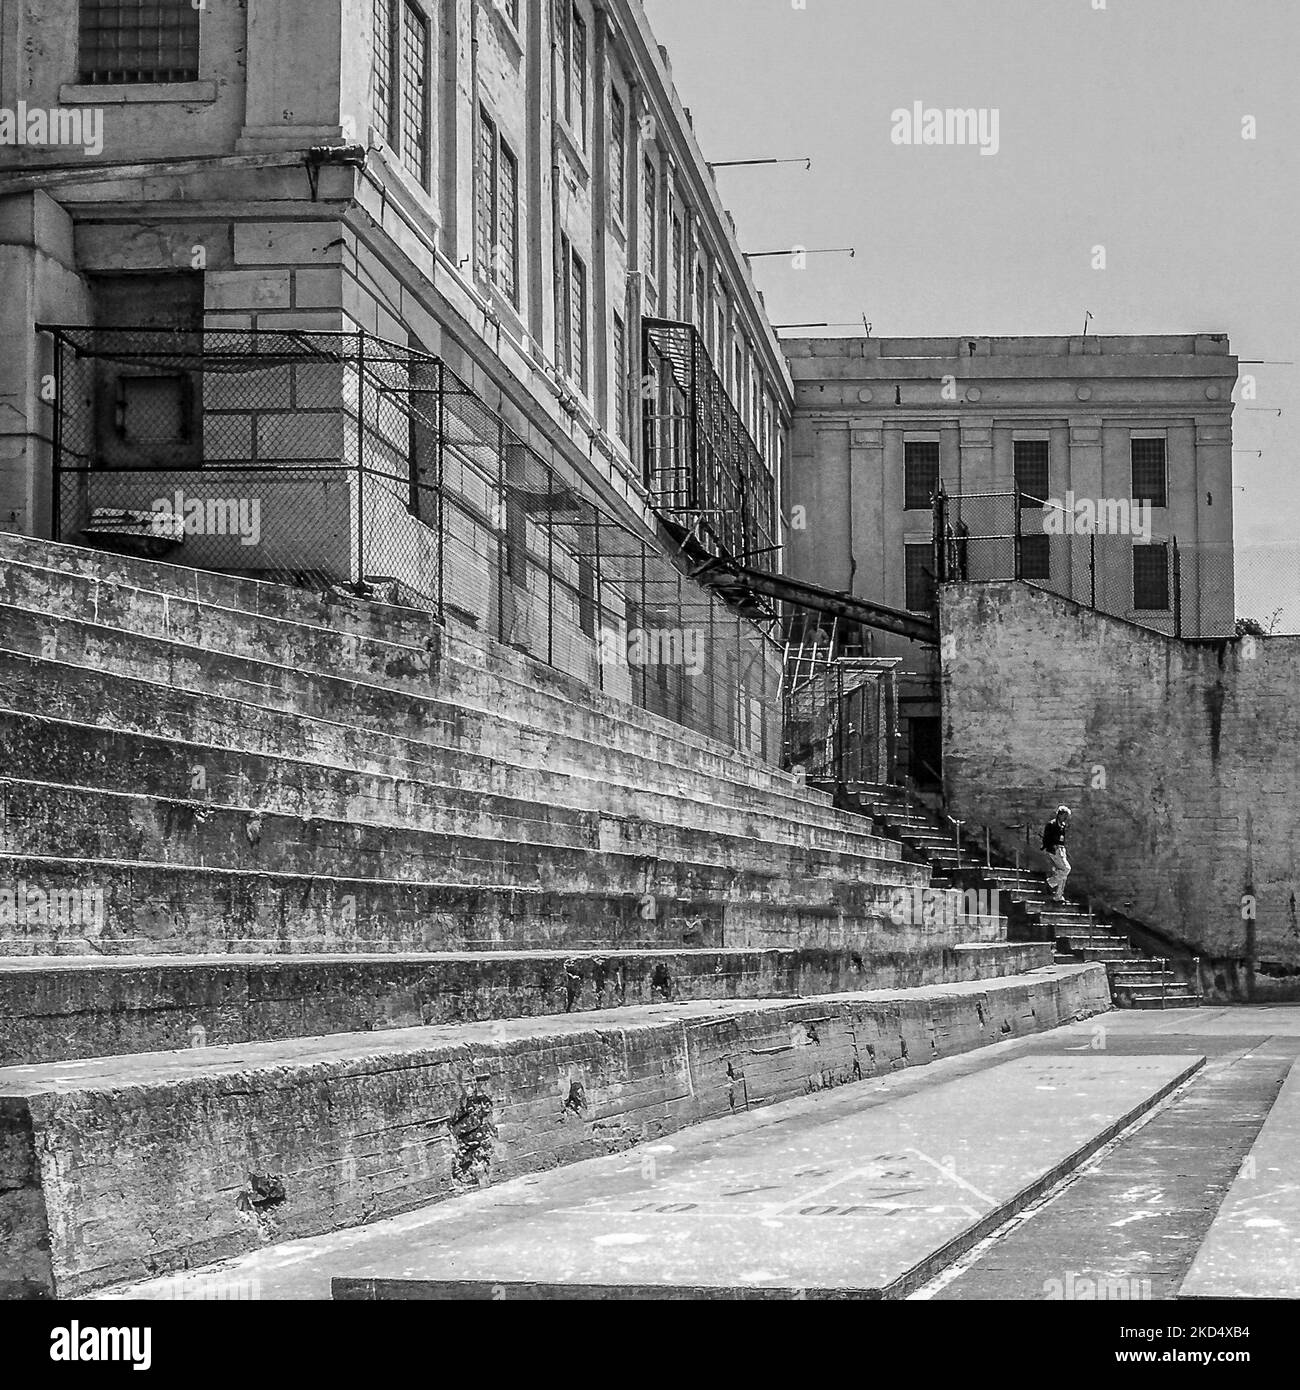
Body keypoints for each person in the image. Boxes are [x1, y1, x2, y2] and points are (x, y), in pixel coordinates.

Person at [1042, 805, 1071, 903]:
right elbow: (1046, 838)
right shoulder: (1051, 824)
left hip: (1061, 849)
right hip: (1055, 850)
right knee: (1066, 869)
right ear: (1060, 814)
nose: (1066, 818)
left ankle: (1058, 896)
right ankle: (1050, 882)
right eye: (1065, 815)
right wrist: (1051, 847)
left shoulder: (1062, 825)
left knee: (1063, 872)